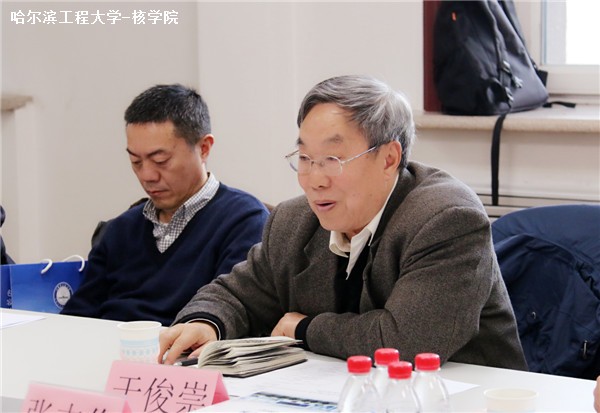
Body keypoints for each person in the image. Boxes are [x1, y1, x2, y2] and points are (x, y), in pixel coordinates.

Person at [159, 75, 527, 370]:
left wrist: (304, 328)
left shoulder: (446, 219)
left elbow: (408, 343)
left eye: (332, 159)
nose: (314, 180)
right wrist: (206, 322)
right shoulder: (293, 220)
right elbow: (238, 294)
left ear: (389, 158)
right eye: (305, 158)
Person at [61, 84, 269, 325]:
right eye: (136, 161)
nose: (147, 175)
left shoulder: (244, 220)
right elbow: (76, 319)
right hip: (111, 342)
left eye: (161, 160)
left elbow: (231, 309)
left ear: (203, 148)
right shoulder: (120, 229)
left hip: (185, 343)